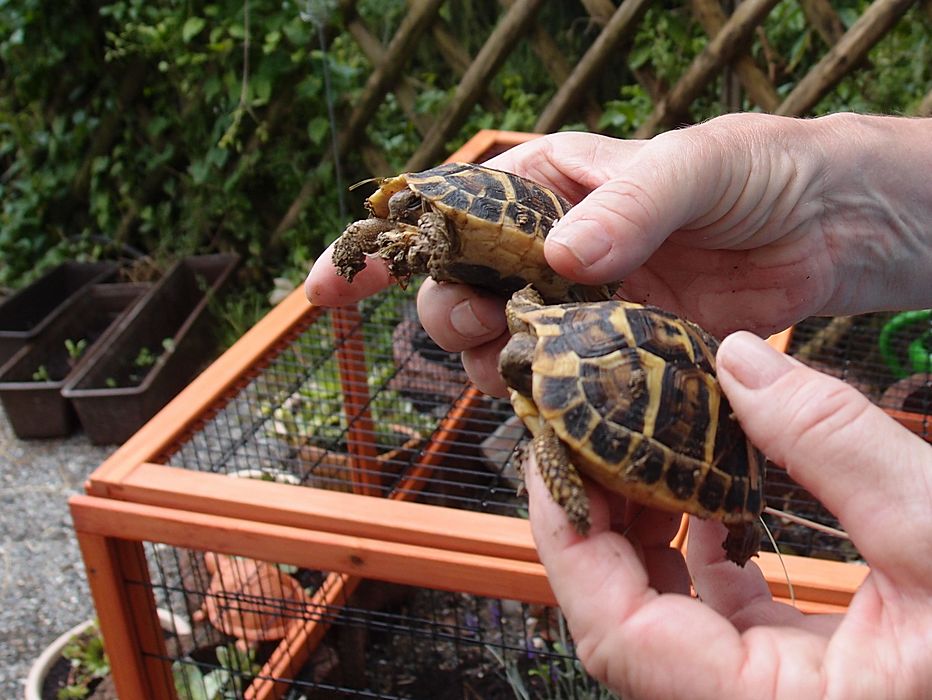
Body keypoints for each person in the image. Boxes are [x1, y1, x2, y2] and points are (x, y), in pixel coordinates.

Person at [306, 112, 932, 698]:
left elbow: (537, 400)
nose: (402, 213)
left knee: (548, 439)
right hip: (591, 337)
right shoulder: (535, 330)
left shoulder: (538, 330)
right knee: (527, 403)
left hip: (606, 338)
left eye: (411, 207)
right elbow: (381, 237)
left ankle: (737, 524)